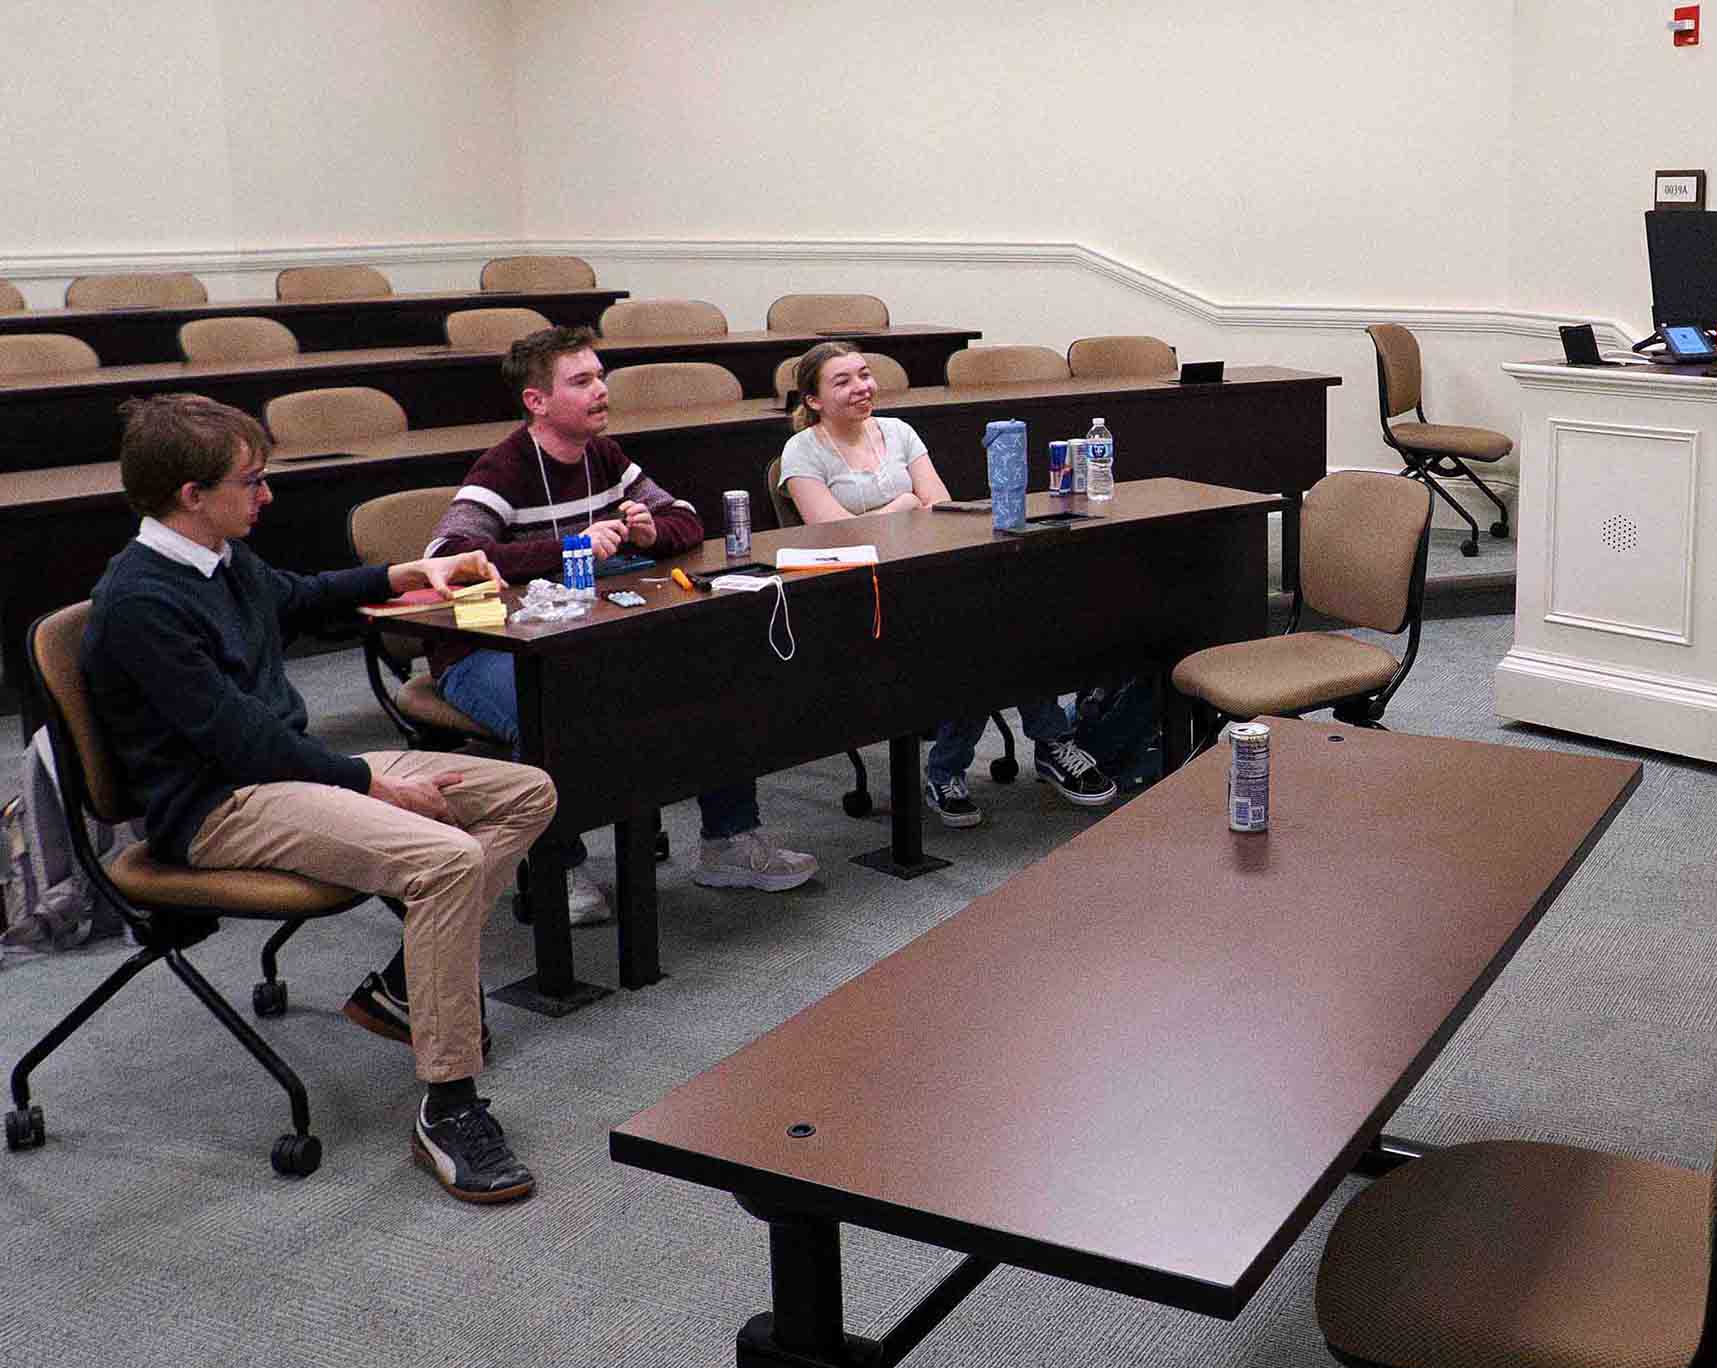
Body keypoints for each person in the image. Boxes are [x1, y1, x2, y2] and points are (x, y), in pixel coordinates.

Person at [84, 394, 557, 1203]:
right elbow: (239, 742)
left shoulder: (218, 558)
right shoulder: (141, 601)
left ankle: (406, 989)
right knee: (446, 857)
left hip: (288, 775)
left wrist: (411, 572)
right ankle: (448, 1106)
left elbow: (300, 594)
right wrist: (376, 782)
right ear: (191, 496)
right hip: (218, 806)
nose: (267, 496)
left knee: (526, 792)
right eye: (251, 482)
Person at [426, 327, 819, 921]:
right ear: (537, 402)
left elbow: (684, 517)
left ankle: (727, 843)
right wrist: (568, 546)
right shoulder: (502, 469)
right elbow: (445, 560)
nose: (601, 391)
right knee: (556, 713)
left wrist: (648, 531)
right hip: (484, 651)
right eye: (581, 381)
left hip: (581, 635)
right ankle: (559, 869)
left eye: (600, 377)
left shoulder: (603, 456)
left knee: (717, 670)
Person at [776, 341, 1118, 825]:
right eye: (843, 381)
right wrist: (902, 505)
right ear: (812, 400)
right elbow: (831, 532)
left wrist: (904, 509)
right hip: (861, 595)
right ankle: (1038, 744)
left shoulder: (896, 432)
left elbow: (940, 506)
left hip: (928, 573)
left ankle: (982, 760)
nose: (862, 387)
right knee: (981, 636)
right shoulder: (802, 450)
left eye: (865, 375)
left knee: (1009, 620)